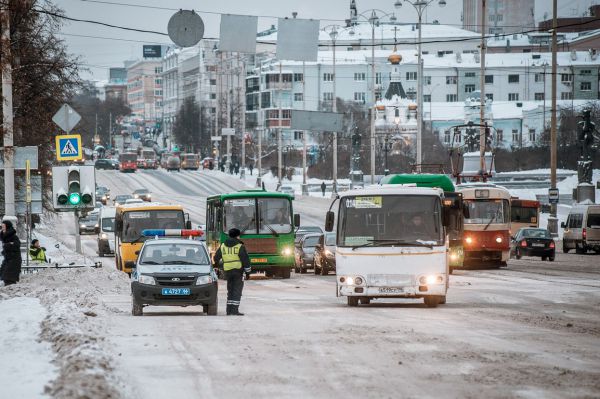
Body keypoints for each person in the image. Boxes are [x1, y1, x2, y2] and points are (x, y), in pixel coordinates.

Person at [213, 228, 251, 316]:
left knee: (230, 290)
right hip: (238, 271)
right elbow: (245, 260)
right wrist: (248, 272)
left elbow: (216, 258)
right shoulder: (239, 246)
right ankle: (234, 310)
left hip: (227, 271)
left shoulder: (223, 246)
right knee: (237, 290)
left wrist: (220, 266)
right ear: (237, 236)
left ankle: (229, 310)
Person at [0, 220, 22, 286]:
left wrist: (8, 245)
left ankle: (12, 293)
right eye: (2, 226)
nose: (2, 228)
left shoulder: (13, 236)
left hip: (14, 260)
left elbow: (17, 245)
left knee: (9, 278)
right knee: (5, 276)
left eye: (4, 226)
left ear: (7, 226)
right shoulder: (4, 236)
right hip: (7, 259)